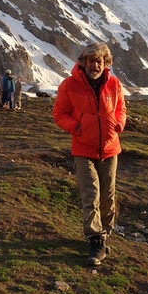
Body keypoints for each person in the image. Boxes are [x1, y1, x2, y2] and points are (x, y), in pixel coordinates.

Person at [52, 42, 127, 266]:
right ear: (83, 62)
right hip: (84, 149)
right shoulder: (69, 86)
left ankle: (104, 232)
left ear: (106, 63)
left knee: (108, 196)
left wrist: (119, 124)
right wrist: (77, 127)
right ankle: (95, 240)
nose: (95, 64)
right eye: (91, 60)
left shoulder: (114, 84)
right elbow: (59, 113)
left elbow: (121, 108)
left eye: (99, 61)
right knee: (91, 194)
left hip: (110, 148)